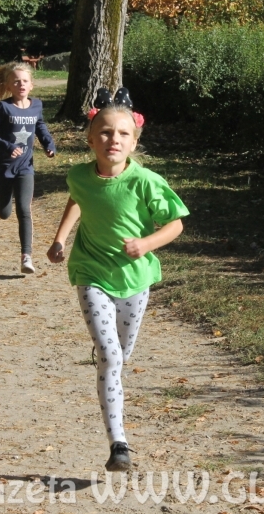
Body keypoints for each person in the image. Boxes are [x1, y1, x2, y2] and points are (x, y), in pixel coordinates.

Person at [46, 88, 189, 471]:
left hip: (135, 278)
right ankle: (118, 444)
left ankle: (108, 357)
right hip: (91, 271)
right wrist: (60, 239)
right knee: (110, 358)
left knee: (122, 356)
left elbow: (175, 223)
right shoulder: (79, 175)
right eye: (106, 133)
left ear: (134, 141)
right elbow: (77, 198)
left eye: (123, 134)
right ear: (91, 139)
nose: (114, 140)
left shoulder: (145, 181)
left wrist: (146, 243)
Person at [0, 62, 56, 274]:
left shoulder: (36, 106)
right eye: (16, 81)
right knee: (4, 213)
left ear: (31, 85)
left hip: (25, 167)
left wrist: (49, 144)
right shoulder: (3, 107)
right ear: (9, 86)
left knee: (24, 209)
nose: (21, 85)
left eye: (24, 81)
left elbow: (40, 127)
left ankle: (26, 257)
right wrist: (8, 145)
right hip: (2, 166)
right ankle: (1, 200)